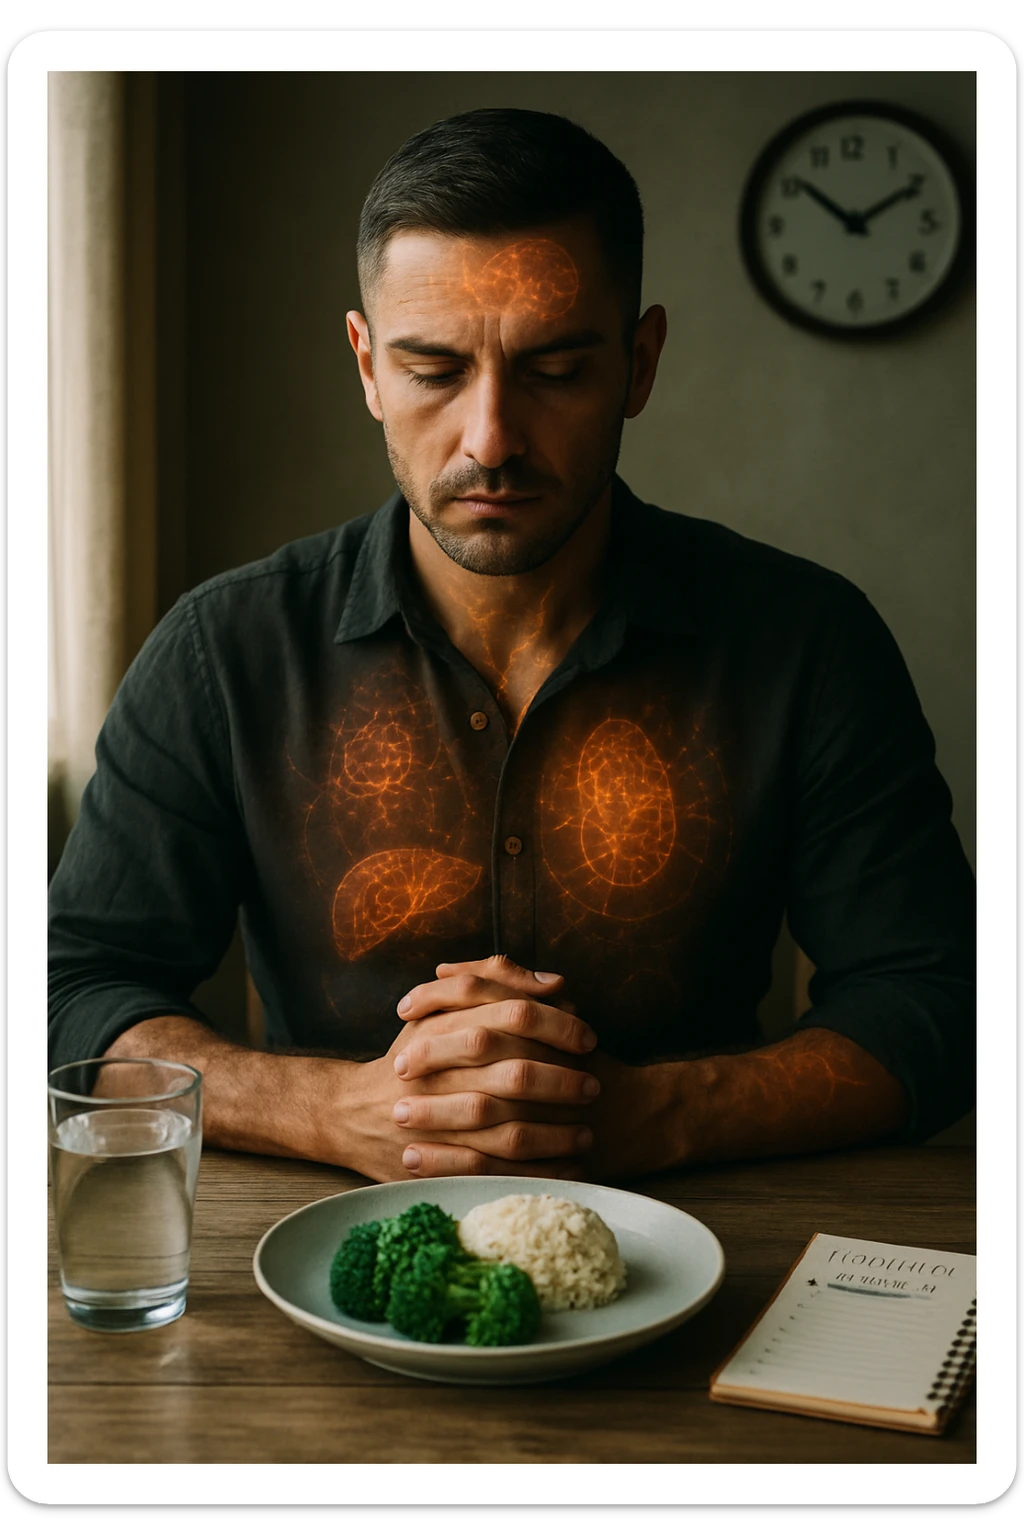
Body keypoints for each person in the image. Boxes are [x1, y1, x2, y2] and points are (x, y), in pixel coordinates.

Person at [48, 108, 975, 1185]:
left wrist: (650, 1115)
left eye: (555, 370)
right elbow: (69, 992)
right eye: (434, 369)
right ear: (366, 368)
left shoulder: (805, 644)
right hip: (305, 1277)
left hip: (718, 1258)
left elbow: (935, 1005)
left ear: (638, 363)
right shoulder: (224, 651)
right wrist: (332, 1109)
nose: (489, 439)